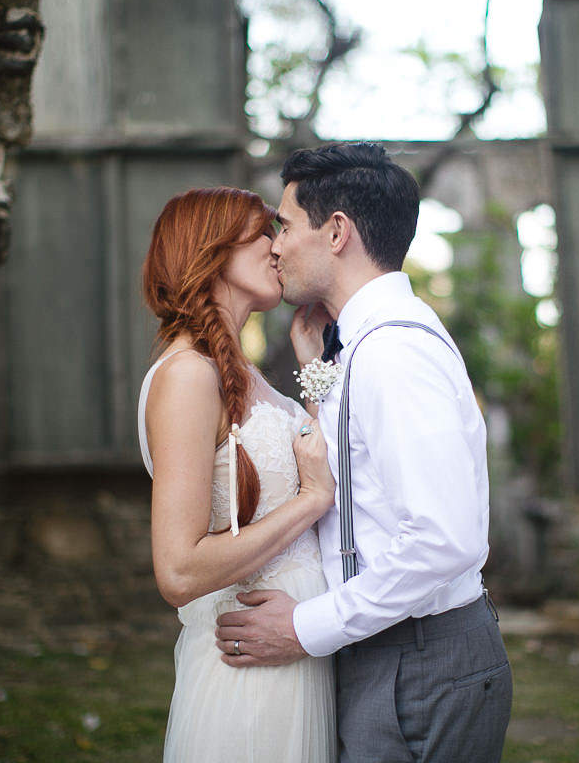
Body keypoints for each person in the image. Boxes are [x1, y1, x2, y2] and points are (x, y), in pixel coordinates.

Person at [214, 143, 513, 762]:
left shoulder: (395, 354)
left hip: (421, 660)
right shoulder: (364, 344)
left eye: (287, 226)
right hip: (392, 648)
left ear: (338, 232)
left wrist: (306, 627)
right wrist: (315, 373)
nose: (275, 245)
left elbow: (444, 538)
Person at [137, 186, 338, 762]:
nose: (279, 249)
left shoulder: (241, 371)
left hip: (296, 655)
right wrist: (312, 502)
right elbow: (177, 571)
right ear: (213, 250)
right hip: (248, 673)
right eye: (265, 233)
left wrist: (311, 361)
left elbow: (315, 454)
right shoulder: (186, 375)